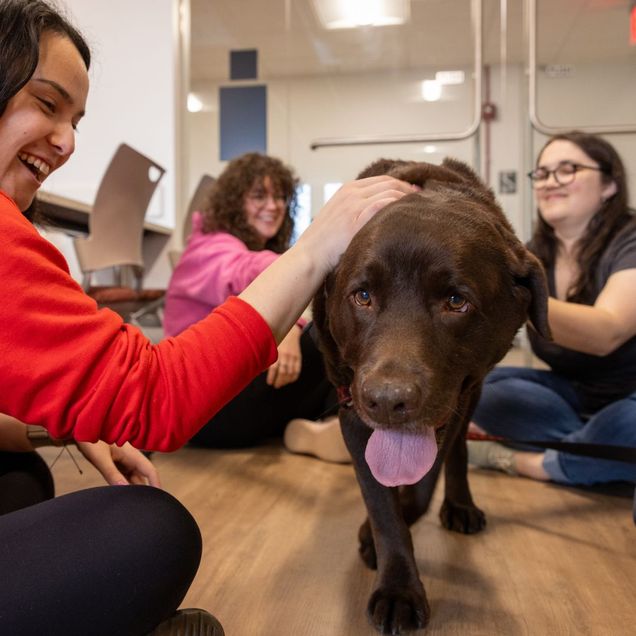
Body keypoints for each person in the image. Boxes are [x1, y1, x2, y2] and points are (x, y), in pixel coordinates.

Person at [0, 1, 415, 633]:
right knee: (152, 529)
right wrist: (316, 248)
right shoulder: (214, 249)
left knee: (24, 479)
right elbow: (163, 387)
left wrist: (67, 426)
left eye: (76, 119)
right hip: (208, 405)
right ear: (233, 201)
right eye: (47, 104)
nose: (68, 141)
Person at [468, 131, 636, 487]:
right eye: (542, 174)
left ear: (609, 185)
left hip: (630, 399)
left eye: (567, 169)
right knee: (479, 386)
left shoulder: (630, 240)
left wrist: (514, 291)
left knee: (629, 422)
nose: (549, 183)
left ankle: (529, 462)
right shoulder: (533, 254)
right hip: (573, 397)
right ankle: (597, 456)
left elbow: (608, 332)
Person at [164, 153, 348, 463]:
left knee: (336, 327)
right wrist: (290, 326)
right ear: (235, 202)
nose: (274, 205)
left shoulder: (249, 247)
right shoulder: (209, 247)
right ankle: (340, 423)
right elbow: (255, 271)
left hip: (232, 403)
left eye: (279, 196)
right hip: (204, 413)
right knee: (329, 328)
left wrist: (289, 325)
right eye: (259, 196)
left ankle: (326, 426)